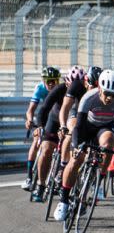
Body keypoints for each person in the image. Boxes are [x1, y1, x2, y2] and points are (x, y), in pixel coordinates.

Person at [53, 70, 114, 221]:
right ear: (100, 88)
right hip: (86, 127)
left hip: (105, 127)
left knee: (109, 144)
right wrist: (76, 146)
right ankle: (63, 200)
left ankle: (98, 181)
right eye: (107, 93)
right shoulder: (89, 97)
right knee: (76, 159)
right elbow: (78, 126)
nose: (110, 98)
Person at [30, 66, 86, 202]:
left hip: (73, 122)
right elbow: (44, 108)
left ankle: (65, 171)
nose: (74, 88)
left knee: (73, 146)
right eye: (71, 85)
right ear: (66, 82)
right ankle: (41, 185)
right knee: (46, 149)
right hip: (55, 120)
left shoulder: (85, 92)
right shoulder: (59, 89)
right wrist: (39, 126)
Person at [22, 66, 60, 191]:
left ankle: (55, 177)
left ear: (58, 80)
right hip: (43, 118)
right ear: (43, 81)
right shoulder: (40, 88)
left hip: (56, 118)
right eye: (48, 81)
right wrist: (29, 120)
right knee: (36, 140)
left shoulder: (61, 89)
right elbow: (30, 110)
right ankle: (29, 177)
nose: (51, 84)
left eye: (53, 81)